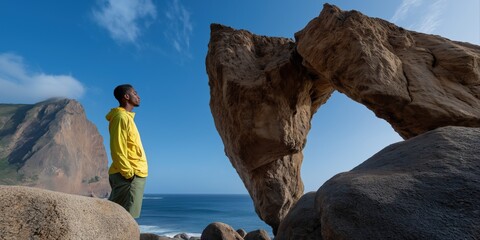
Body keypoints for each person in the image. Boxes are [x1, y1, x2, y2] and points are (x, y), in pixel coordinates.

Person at [106, 84, 148, 218]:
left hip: (133, 174)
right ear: (126, 96)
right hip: (129, 175)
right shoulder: (121, 118)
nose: (138, 96)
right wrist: (128, 173)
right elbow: (117, 147)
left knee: (123, 219)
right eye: (135, 93)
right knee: (124, 219)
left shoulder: (127, 118)